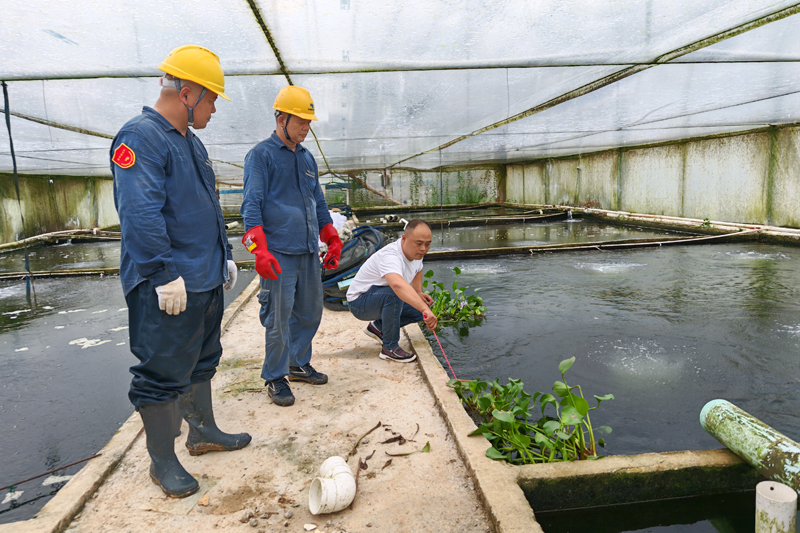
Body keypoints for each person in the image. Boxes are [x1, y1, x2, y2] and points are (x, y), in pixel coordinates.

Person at [111, 45, 251, 499]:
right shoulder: (140, 138)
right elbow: (140, 213)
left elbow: (204, 207)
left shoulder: (191, 142)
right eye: (210, 99)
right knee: (162, 371)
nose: (213, 109)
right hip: (168, 284)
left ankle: (203, 431)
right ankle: (162, 461)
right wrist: (161, 272)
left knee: (202, 359)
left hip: (204, 277)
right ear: (186, 92)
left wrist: (223, 255)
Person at [240, 86, 342, 407]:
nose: (306, 128)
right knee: (278, 318)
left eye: (309, 123)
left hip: (308, 251)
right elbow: (251, 206)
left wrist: (332, 238)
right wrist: (258, 251)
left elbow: (319, 202)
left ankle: (297, 363)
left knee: (310, 312)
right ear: (281, 119)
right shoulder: (261, 156)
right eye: (301, 122)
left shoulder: (307, 157)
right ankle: (274, 376)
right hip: (278, 253)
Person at [346, 219, 438, 361]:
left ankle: (378, 327)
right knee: (394, 295)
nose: (423, 249)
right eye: (419, 243)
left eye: (427, 244)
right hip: (360, 302)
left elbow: (418, 269)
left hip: (378, 296)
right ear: (404, 238)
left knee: (420, 310)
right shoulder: (391, 256)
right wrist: (424, 309)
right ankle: (389, 348)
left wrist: (418, 293)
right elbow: (397, 285)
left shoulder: (416, 253)